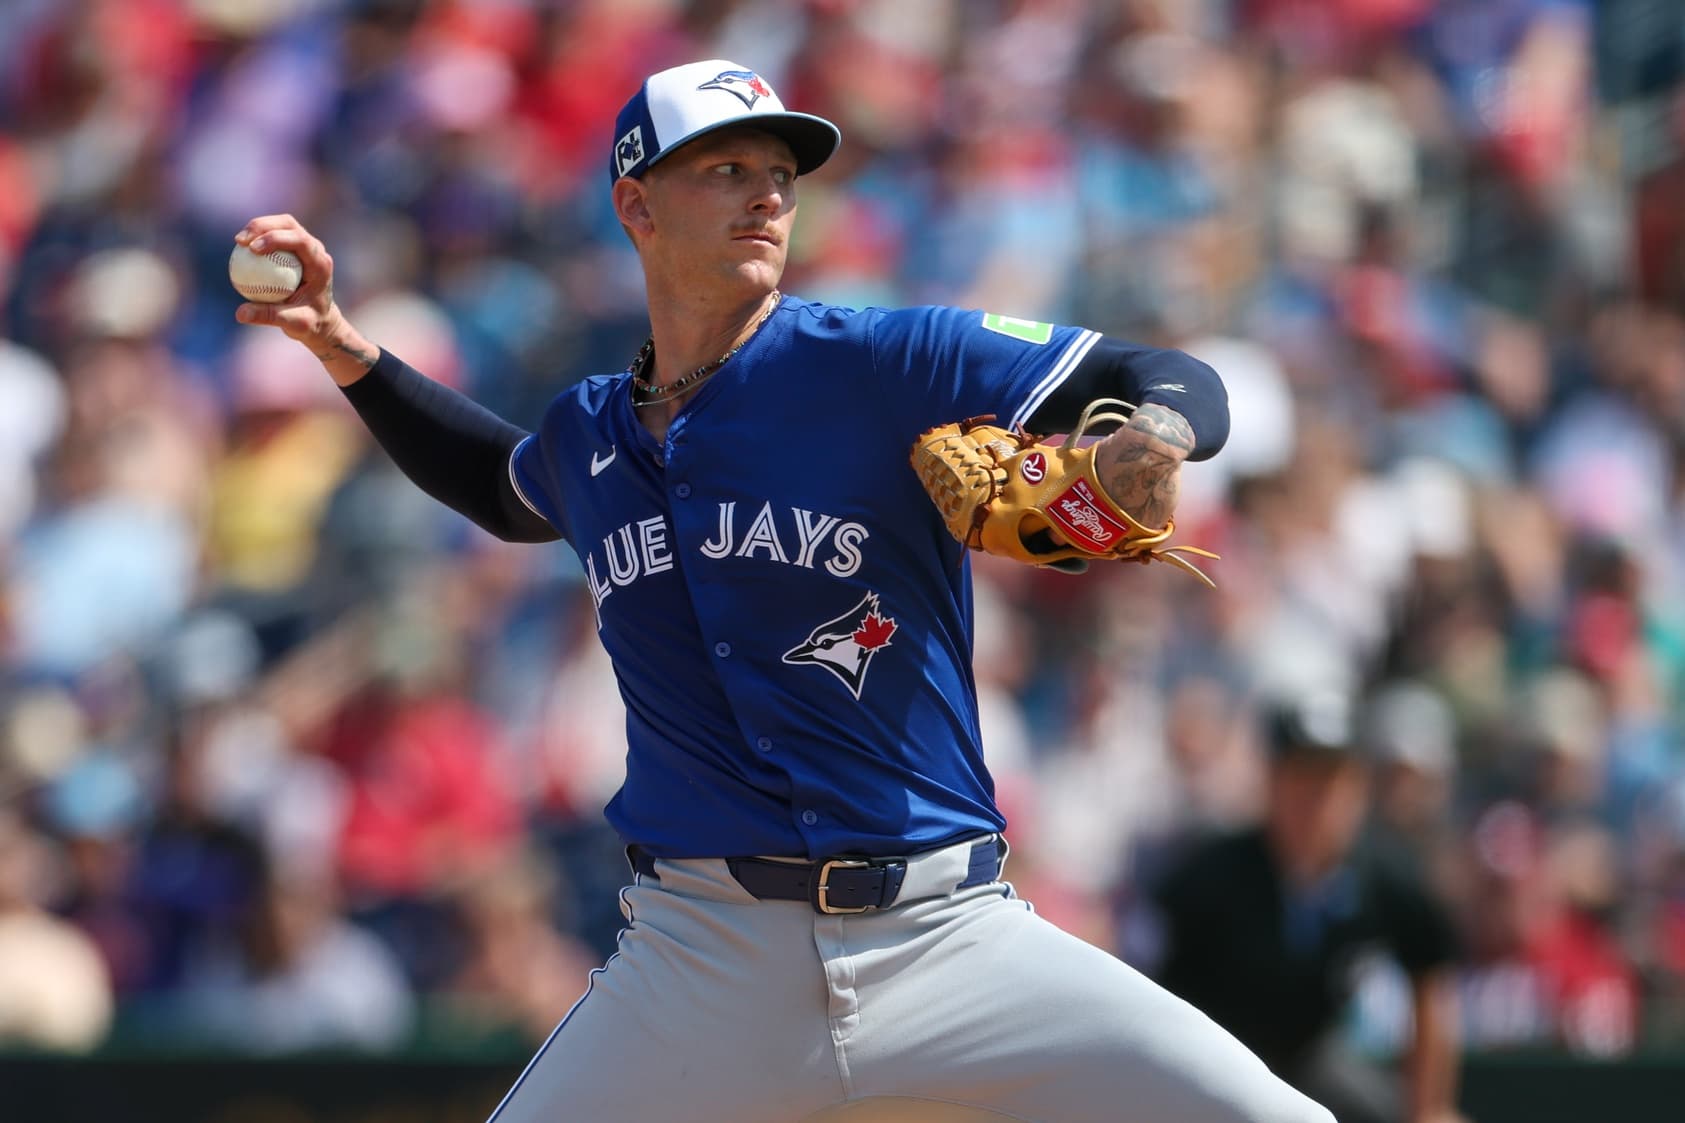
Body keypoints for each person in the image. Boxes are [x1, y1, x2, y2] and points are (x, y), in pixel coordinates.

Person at [232, 58, 1333, 1123]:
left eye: (779, 172)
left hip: (943, 935)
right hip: (700, 956)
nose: (764, 192)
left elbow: (1171, 376)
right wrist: (341, 347)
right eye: (722, 169)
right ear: (636, 203)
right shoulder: (589, 434)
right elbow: (496, 483)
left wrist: (1155, 437)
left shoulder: (882, 362)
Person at [1140, 688, 1464, 1123]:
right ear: (1271, 781)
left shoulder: (1385, 874)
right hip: (1212, 1064)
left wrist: (1430, 1110)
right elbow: (1151, 996)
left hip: (1312, 1058)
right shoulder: (1210, 877)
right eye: (1300, 777)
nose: (1316, 800)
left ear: (1357, 787)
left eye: (1330, 779)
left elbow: (1430, 979)